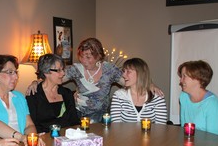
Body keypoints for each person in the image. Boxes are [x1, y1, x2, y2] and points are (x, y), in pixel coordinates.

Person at [27, 38, 164, 123]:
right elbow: (54, 77)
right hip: (78, 115)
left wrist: (150, 85)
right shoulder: (76, 69)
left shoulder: (109, 69)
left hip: (101, 117)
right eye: (82, 56)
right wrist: (36, 82)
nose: (84, 60)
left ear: (98, 56)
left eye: (88, 57)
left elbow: (131, 81)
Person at [0, 55, 45, 146]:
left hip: (21, 145)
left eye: (16, 72)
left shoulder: (19, 97)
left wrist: (30, 138)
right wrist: (20, 139)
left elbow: (29, 125)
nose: (16, 77)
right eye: (10, 72)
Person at [26, 53, 80, 133]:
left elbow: (74, 121)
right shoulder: (34, 94)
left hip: (66, 138)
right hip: (44, 139)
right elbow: (32, 125)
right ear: (46, 72)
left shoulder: (67, 93)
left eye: (63, 69)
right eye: (58, 70)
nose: (63, 73)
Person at [178, 60, 218, 138]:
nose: (181, 80)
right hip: (196, 145)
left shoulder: (213, 105)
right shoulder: (184, 97)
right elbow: (184, 129)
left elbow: (213, 141)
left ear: (197, 78)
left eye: (184, 76)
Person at [110, 58, 167, 124]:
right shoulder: (119, 96)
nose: (123, 75)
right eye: (124, 71)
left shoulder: (157, 96)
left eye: (128, 72)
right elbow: (116, 126)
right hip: (124, 134)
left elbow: (161, 127)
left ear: (140, 74)